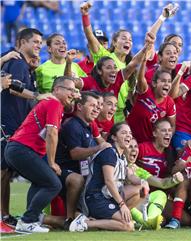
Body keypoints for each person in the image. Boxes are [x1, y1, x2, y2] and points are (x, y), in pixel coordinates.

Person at [4, 76, 77, 233]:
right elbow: (51, 133)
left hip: (18, 149)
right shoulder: (54, 103)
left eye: (74, 90)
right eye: (70, 89)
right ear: (57, 90)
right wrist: (51, 162)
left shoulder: (53, 104)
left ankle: (31, 220)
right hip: (22, 149)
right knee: (53, 184)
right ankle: (27, 221)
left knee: (41, 182)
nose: (73, 93)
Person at [69, 122, 149, 232]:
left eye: (130, 133)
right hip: (95, 198)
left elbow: (130, 176)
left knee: (138, 190)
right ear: (114, 137)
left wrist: (143, 182)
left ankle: (111, 221)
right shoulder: (109, 153)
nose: (128, 136)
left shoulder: (121, 156)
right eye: (124, 133)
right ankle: (85, 223)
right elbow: (109, 181)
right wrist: (122, 204)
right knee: (128, 226)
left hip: (107, 197)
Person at [1, 28, 44, 228]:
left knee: (6, 172)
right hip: (7, 125)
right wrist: (37, 96)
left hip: (14, 126)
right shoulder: (17, 62)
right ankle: (4, 216)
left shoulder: (24, 66)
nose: (39, 45)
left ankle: (5, 216)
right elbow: (13, 87)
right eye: (35, 41)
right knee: (2, 172)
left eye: (40, 42)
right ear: (22, 42)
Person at [55, 91, 111, 228]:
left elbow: (103, 143)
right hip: (62, 171)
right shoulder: (72, 125)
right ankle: (69, 218)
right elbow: (75, 154)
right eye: (93, 106)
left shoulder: (89, 125)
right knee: (77, 179)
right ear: (79, 106)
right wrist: (98, 148)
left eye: (98, 106)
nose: (97, 109)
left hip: (82, 171)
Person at [126, 137, 183, 230]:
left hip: (141, 204)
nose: (134, 149)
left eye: (135, 146)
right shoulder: (117, 164)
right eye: (130, 147)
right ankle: (147, 223)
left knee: (160, 194)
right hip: (126, 205)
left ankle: (151, 220)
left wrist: (174, 180)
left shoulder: (138, 169)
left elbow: (161, 183)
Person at [126, 51, 176, 143]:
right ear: (154, 83)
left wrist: (164, 140)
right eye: (163, 81)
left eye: (169, 81)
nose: (167, 84)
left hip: (149, 143)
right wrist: (144, 61)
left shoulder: (169, 103)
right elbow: (140, 78)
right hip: (130, 138)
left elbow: (172, 126)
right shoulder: (145, 91)